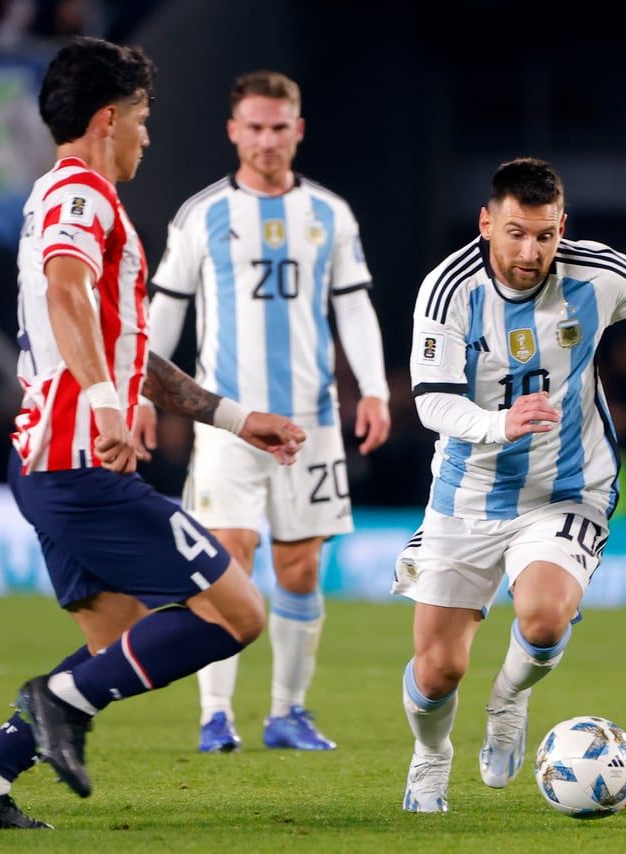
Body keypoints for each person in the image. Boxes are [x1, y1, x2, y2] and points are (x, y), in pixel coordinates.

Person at [0, 37, 304, 830]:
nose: (147, 135)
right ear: (107, 119)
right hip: (79, 464)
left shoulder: (60, 197)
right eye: (141, 118)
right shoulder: (82, 197)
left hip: (47, 465)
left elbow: (133, 350)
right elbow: (68, 295)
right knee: (238, 615)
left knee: (121, 647)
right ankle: (59, 701)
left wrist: (237, 420)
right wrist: (105, 403)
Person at [394, 157, 626, 813]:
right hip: (467, 493)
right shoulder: (447, 289)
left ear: (564, 226)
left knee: (542, 616)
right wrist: (502, 424)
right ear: (486, 223)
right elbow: (432, 403)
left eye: (543, 235)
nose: (528, 252)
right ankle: (431, 756)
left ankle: (509, 700)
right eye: (513, 233)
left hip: (569, 488)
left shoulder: (600, 274)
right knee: (438, 669)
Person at [141, 70, 389, 754]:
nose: (267, 140)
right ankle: (214, 715)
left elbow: (353, 304)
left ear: (298, 129)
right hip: (227, 423)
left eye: (280, 127)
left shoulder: (330, 214)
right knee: (228, 562)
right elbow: (166, 305)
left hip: (311, 424)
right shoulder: (202, 215)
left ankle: (287, 712)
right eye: (254, 127)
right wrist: (140, 394)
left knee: (303, 567)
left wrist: (372, 387)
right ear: (233, 131)